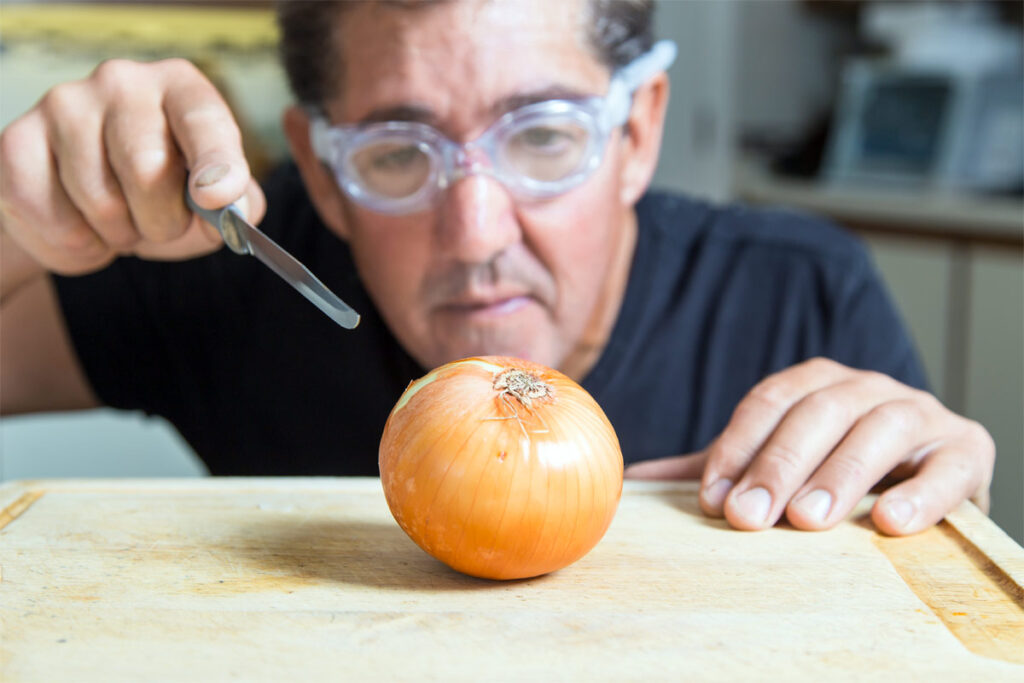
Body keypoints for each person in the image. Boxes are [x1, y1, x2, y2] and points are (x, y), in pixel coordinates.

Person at [0, 0, 994, 537]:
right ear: (319, 171)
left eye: (545, 138)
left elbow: (909, 551)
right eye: (396, 150)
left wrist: (929, 508)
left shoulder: (797, 294)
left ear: (638, 132)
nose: (474, 233)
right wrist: (17, 216)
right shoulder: (233, 272)